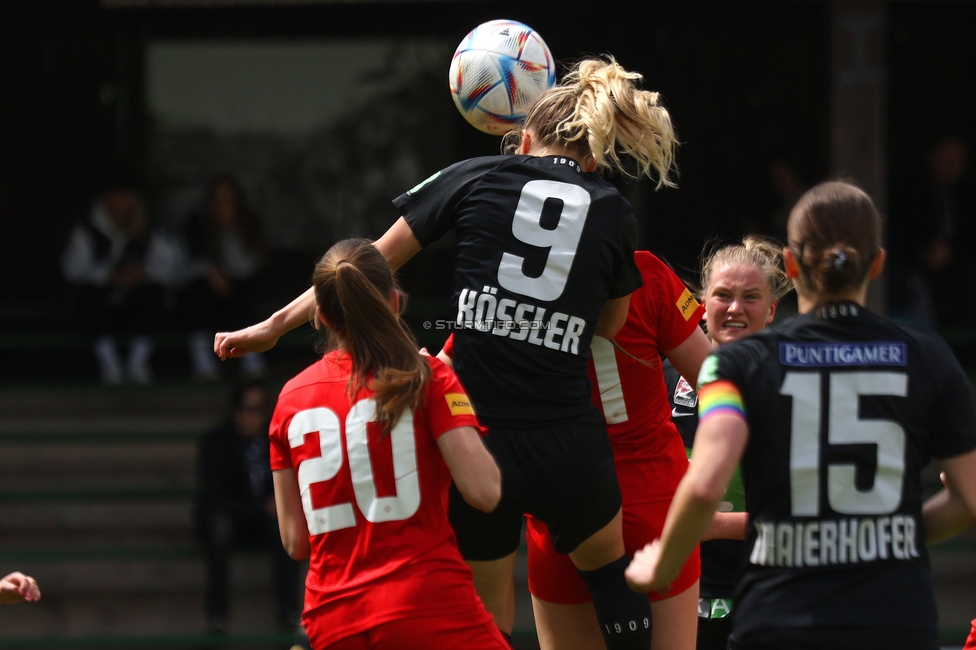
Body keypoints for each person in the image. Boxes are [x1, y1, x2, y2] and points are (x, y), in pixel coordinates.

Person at [217, 57, 678, 649]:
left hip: (480, 440)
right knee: (611, 580)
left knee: (484, 619)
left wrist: (274, 327)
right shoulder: (612, 208)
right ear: (589, 157)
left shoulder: (475, 175)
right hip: (570, 441)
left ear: (523, 138)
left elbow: (366, 265)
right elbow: (608, 326)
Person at [626, 180, 976, 650]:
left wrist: (664, 563)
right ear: (877, 263)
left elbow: (706, 483)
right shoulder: (928, 357)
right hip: (896, 617)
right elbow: (970, 499)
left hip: (780, 615)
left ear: (789, 265)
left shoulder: (738, 366)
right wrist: (885, 538)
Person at [268, 238, 507, 650]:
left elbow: (295, 542)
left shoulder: (289, 399)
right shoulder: (425, 375)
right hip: (425, 604)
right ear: (395, 302)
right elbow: (485, 492)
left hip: (332, 619)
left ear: (321, 316)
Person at [520, 249, 711, 650]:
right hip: (653, 504)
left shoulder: (509, 281)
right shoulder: (645, 270)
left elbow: (449, 374)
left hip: (560, 513)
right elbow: (716, 381)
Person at [663, 237, 792, 650]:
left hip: (770, 596)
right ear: (702, 305)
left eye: (751, 297)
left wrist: (717, 526)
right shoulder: (660, 380)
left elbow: (815, 516)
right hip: (675, 595)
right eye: (723, 295)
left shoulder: (795, 389)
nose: (735, 308)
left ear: (772, 310)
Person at [195, 379, 301, 634]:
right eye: (250, 409)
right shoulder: (215, 442)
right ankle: (217, 618)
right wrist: (259, 506)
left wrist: (275, 506)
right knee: (219, 528)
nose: (256, 416)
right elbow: (213, 497)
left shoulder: (276, 439)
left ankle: (289, 615)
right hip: (232, 517)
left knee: (285, 529)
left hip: (267, 520)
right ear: (236, 412)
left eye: (261, 408)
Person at [61, 171, 179, 384]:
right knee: (89, 297)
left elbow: (171, 269)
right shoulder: (87, 232)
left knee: (153, 295)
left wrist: (142, 272)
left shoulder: (149, 232)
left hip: (135, 306)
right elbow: (73, 270)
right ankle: (110, 365)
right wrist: (109, 275)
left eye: (125, 200)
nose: (120, 206)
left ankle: (137, 363)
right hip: (102, 307)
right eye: (114, 200)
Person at [179, 174, 267, 380]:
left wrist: (229, 231)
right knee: (198, 291)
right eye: (218, 199)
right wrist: (211, 271)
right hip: (207, 301)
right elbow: (185, 268)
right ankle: (203, 362)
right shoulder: (197, 227)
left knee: (247, 293)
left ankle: (252, 356)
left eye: (228, 199)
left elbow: (249, 266)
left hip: (239, 295)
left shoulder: (248, 227)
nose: (223, 205)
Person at [888, 136, 975, 330]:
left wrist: (953, 252)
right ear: (930, 158)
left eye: (957, 161)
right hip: (917, 270)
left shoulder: (967, 192)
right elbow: (897, 236)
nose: (950, 166)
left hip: (958, 272)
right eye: (945, 158)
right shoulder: (909, 191)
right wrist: (923, 253)